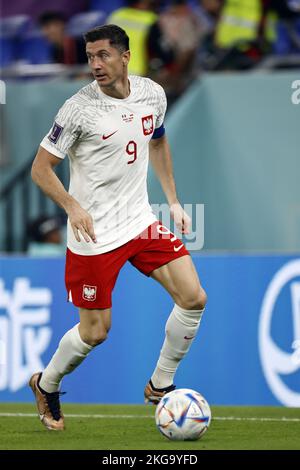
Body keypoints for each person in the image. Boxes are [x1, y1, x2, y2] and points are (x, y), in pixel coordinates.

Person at [29, 24, 207, 431]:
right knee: (95, 333)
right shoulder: (78, 109)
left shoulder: (152, 94)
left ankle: (160, 385)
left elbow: (157, 142)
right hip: (93, 237)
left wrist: (173, 201)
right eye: (90, 56)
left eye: (104, 55)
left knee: (194, 297)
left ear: (126, 57)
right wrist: (72, 207)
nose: (96, 64)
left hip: (140, 221)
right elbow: (41, 169)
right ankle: (47, 383)